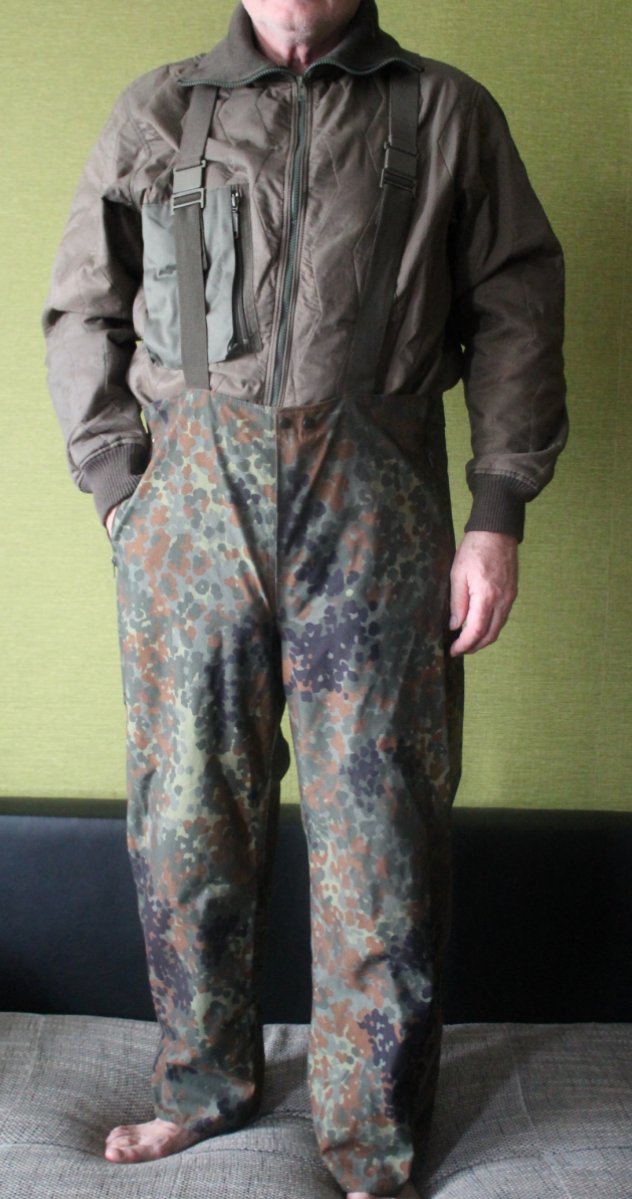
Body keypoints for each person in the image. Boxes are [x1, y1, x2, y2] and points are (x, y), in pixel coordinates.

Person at [43, 1, 567, 1195]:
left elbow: (515, 310)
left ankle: (370, 1137)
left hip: (375, 501)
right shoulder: (160, 110)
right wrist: (123, 488)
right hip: (188, 510)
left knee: (382, 824)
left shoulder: (443, 111)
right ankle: (202, 1086)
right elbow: (86, 306)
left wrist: (495, 511)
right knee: (187, 812)